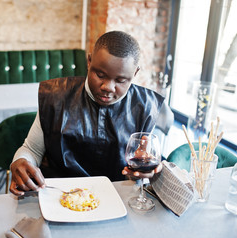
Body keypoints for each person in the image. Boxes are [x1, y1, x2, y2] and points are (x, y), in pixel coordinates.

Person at [10, 31, 169, 196]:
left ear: (135, 73)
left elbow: (150, 167)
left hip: (118, 198)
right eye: (100, 75)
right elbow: (31, 149)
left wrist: (144, 175)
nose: (108, 87)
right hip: (58, 196)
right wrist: (20, 161)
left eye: (121, 80)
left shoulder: (147, 107)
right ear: (89, 61)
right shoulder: (55, 96)